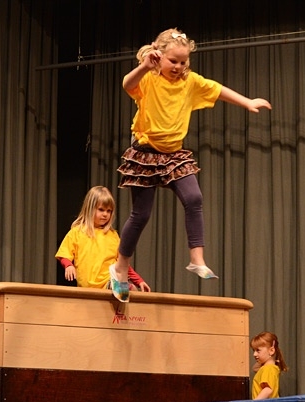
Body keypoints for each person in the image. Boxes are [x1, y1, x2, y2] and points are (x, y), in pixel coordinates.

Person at [110, 28, 272, 299]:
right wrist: (143, 66)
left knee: (194, 198)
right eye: (173, 61)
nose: (178, 66)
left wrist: (247, 102)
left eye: (183, 62)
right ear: (159, 56)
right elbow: (128, 84)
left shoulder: (190, 82)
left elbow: (217, 89)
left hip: (174, 154)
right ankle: (120, 267)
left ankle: (197, 258)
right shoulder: (148, 78)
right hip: (145, 152)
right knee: (141, 215)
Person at [56, 186, 150, 302]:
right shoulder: (76, 232)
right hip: (87, 287)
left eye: (109, 211)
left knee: (129, 289)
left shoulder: (113, 236)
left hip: (109, 282)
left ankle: (126, 308)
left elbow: (123, 264)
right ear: (90, 208)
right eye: (101, 210)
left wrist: (139, 281)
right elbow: (64, 254)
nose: (105, 214)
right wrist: (68, 265)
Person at [250, 331, 288, 400]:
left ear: (271, 350)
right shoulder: (267, 368)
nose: (254, 354)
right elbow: (255, 368)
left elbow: (267, 390)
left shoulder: (268, 369)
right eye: (253, 350)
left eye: (258, 350)